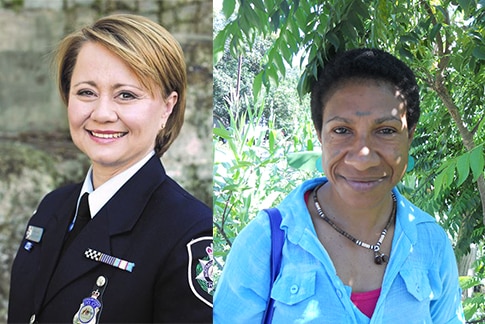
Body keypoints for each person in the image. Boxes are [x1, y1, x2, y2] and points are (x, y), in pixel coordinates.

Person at [214, 48, 465, 323]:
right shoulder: (265, 243)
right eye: (342, 130)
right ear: (320, 135)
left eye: (386, 131)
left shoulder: (431, 243)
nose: (363, 159)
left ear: (410, 136)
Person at [8, 14, 213, 323]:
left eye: (126, 95)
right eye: (86, 92)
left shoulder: (190, 234)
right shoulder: (53, 207)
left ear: (167, 108)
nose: (102, 113)